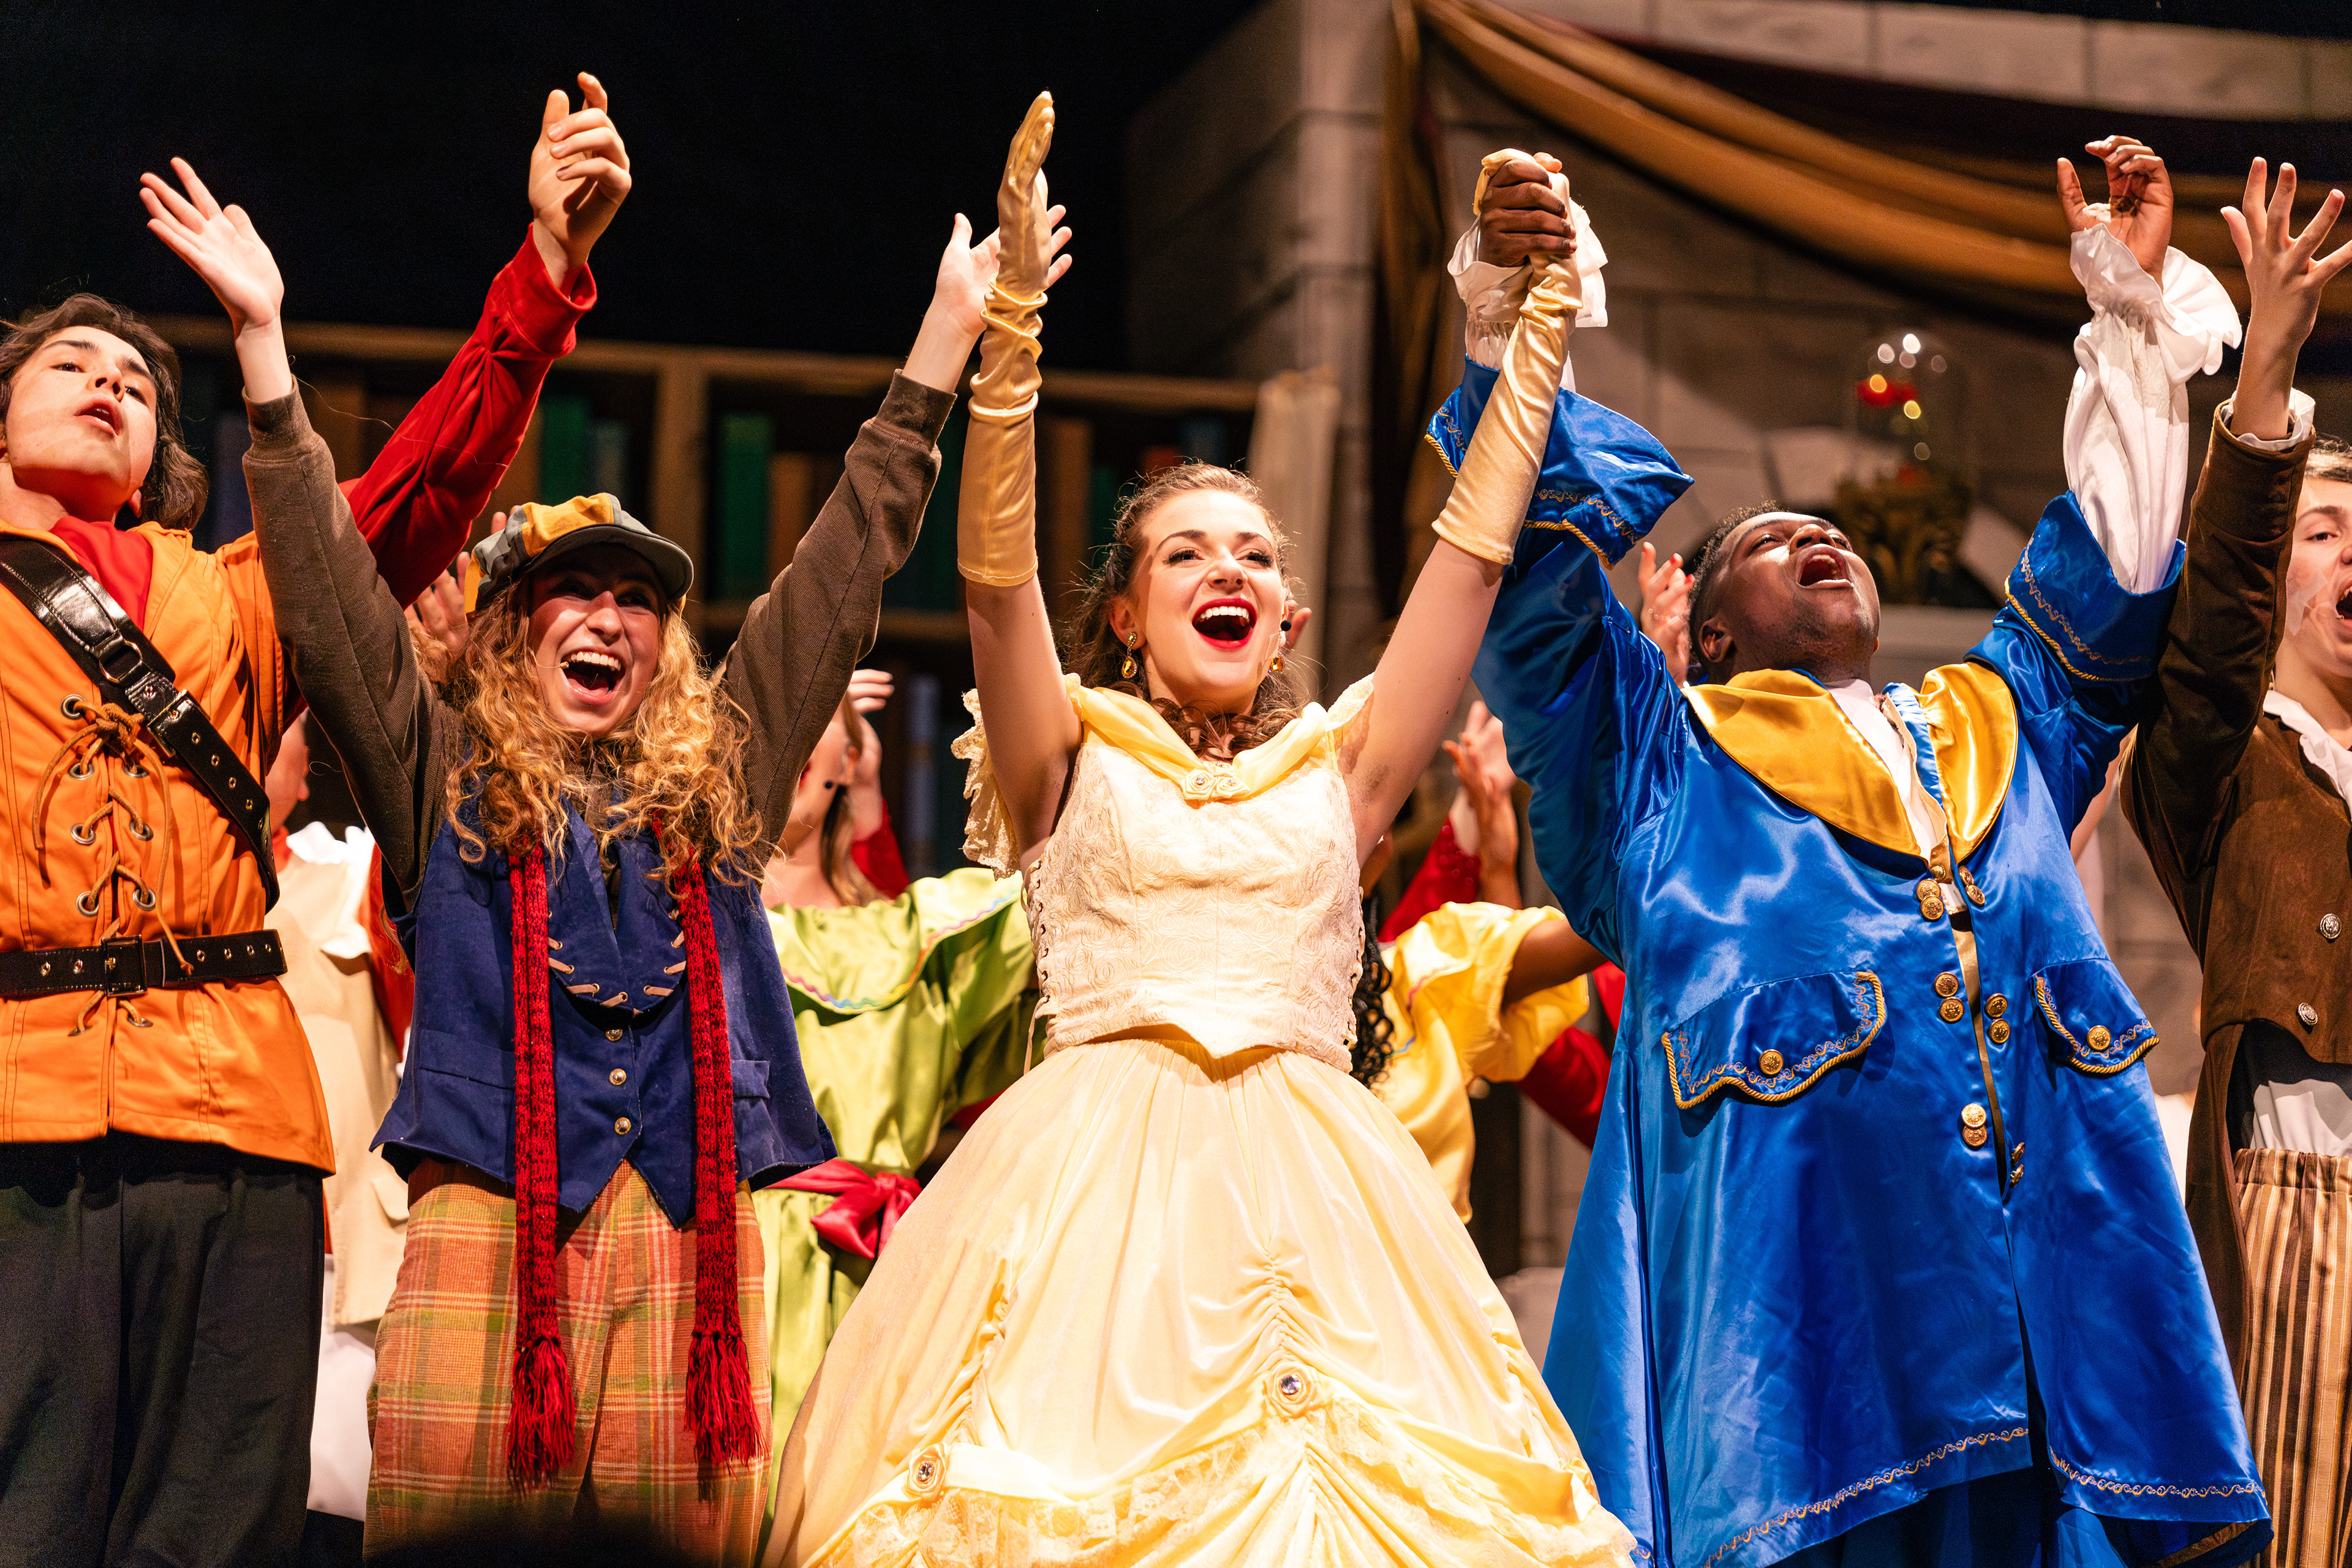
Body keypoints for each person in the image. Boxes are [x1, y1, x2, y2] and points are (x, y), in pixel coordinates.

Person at [769, 94, 1633, 1567]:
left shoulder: (1337, 768)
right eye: (1185, 551)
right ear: (1128, 611)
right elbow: (992, 588)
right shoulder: (1066, 758)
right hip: (1091, 1201)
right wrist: (1016, 338)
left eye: (1254, 554)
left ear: (1287, 617)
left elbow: (1471, 566)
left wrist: (1535, 326)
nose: (1224, 568)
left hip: (1323, 1189)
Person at [1456, 139, 2268, 1564]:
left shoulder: (1994, 719)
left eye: (1831, 527)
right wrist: (1522, 319)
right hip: (1817, 1399)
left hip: (2053, 1360)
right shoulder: (1658, 764)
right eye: (1773, 538)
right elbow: (1534, 589)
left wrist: (2132, 315)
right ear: (1705, 634)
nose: (1819, 534)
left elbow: (2121, 569)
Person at [214, 135, 996, 1559]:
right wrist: (268, 362)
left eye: (636, 597)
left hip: (687, 1243)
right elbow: (327, 602)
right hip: (486, 1226)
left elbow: (843, 566)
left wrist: (941, 344)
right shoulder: (442, 770)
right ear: (515, 632)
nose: (608, 616)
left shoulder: (730, 777)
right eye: (570, 591)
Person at [0, 76, 624, 1568]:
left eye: (139, 381)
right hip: (17, 1114)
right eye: (69, 366)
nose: (110, 383)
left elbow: (419, 489)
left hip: (239, 1125)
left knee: (220, 1525)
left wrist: (542, 275)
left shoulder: (234, 594)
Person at [2121, 156, 2352, 1567]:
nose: (2351, 557)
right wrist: (2263, 370)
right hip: (2297, 1197)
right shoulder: (2228, 758)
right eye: (2328, 534)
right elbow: (2210, 625)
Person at [750, 682, 1038, 1558]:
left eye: (820, 720)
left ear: (851, 758)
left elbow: (1072, 890)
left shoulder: (927, 938)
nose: (795, 735)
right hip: (726, 1266)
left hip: (891, 1279)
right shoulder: (678, 924)